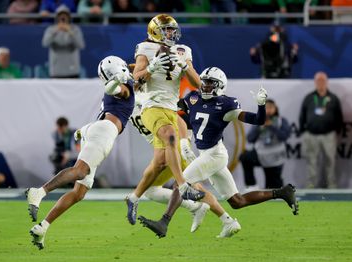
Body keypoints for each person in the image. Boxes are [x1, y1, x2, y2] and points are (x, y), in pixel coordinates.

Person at [138, 67, 299, 238]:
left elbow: (258, 120)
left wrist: (261, 105)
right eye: (204, 82)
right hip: (206, 154)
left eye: (210, 83)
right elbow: (175, 111)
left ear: (220, 86)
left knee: (181, 184)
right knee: (237, 201)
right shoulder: (193, 98)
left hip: (215, 155)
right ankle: (281, 193)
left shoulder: (226, 105)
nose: (205, 86)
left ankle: (163, 223)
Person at [25, 55, 134, 250]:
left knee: (79, 192)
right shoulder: (123, 88)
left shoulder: (128, 80)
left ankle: (43, 227)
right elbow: (116, 88)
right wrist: (119, 79)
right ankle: (39, 192)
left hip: (95, 127)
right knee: (81, 171)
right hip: (105, 130)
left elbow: (138, 71)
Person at [125, 14, 205, 225]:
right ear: (155, 31)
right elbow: (136, 78)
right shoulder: (145, 48)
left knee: (160, 162)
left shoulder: (183, 51)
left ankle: (133, 198)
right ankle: (183, 185)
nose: (171, 33)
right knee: (171, 136)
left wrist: (185, 66)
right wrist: (151, 68)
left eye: (172, 29)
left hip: (171, 108)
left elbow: (198, 84)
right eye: (167, 30)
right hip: (151, 106)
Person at [130, 91, 239, 236]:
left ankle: (219, 217)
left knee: (185, 186)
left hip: (173, 149)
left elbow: (179, 118)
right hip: (169, 149)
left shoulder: (146, 97)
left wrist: (184, 144)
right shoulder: (127, 101)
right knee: (171, 188)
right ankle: (220, 217)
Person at [299, 71, 343, 188]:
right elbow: (302, 115)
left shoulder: (333, 98)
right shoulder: (309, 98)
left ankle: (331, 185)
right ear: (315, 82)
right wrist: (303, 131)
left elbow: (339, 116)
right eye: (318, 80)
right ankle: (311, 185)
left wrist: (337, 131)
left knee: (330, 161)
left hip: (329, 134)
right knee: (312, 161)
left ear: (326, 82)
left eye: (323, 80)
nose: (320, 83)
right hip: (311, 134)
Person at [240, 99, 291, 189]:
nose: (268, 110)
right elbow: (250, 139)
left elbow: (285, 136)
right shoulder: (258, 120)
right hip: (261, 154)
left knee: (273, 188)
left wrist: (271, 126)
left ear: (276, 109)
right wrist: (259, 127)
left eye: (271, 107)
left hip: (275, 156)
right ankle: (252, 186)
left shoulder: (281, 121)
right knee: (245, 157)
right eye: (266, 108)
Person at [42, 5, 85, 78]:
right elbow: (45, 43)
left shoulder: (75, 29)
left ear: (69, 17)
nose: (63, 18)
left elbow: (81, 45)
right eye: (60, 15)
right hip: (56, 71)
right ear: (57, 17)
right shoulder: (51, 29)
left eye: (65, 15)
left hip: (72, 70)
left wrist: (70, 32)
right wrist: (55, 31)